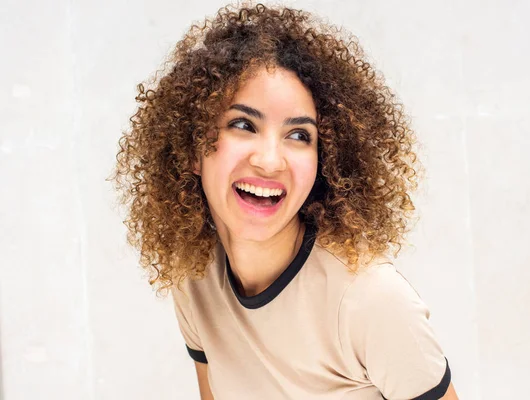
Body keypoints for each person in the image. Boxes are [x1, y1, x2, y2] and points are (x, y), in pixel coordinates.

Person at [111, 3, 459, 399]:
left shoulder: (370, 300)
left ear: (323, 162)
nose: (270, 160)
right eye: (243, 125)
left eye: (299, 135)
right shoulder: (196, 279)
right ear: (192, 149)